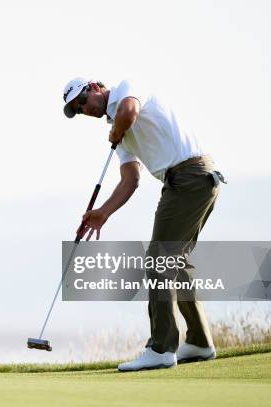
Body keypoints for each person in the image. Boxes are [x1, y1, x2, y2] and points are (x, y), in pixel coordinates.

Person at [62, 77, 226, 371]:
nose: (84, 109)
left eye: (84, 100)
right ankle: (201, 342)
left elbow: (128, 111)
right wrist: (103, 212)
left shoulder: (127, 89)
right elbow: (130, 180)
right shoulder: (118, 132)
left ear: (96, 86)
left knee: (159, 259)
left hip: (190, 175)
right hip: (187, 181)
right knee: (175, 261)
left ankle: (161, 347)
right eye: (78, 109)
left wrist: (116, 132)